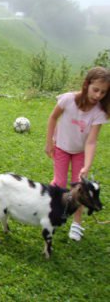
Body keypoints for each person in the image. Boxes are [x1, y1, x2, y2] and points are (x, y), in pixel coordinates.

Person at [45, 66, 110, 241]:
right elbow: (52, 118)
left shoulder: (99, 113)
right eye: (95, 90)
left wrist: (87, 166)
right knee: (58, 183)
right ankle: (51, 210)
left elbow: (91, 141)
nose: (98, 95)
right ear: (86, 84)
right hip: (61, 148)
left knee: (79, 190)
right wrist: (48, 142)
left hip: (79, 152)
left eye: (103, 93)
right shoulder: (68, 100)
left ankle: (77, 223)